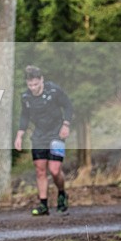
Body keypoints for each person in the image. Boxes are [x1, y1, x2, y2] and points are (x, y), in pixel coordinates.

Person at [14, 65, 73, 216]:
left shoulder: (53, 91)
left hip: (56, 133)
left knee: (54, 170)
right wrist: (19, 135)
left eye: (36, 84)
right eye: (30, 85)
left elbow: (67, 106)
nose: (33, 88)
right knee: (40, 170)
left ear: (41, 80)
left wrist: (66, 125)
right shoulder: (26, 97)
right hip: (39, 135)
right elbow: (24, 116)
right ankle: (43, 204)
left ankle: (61, 194)